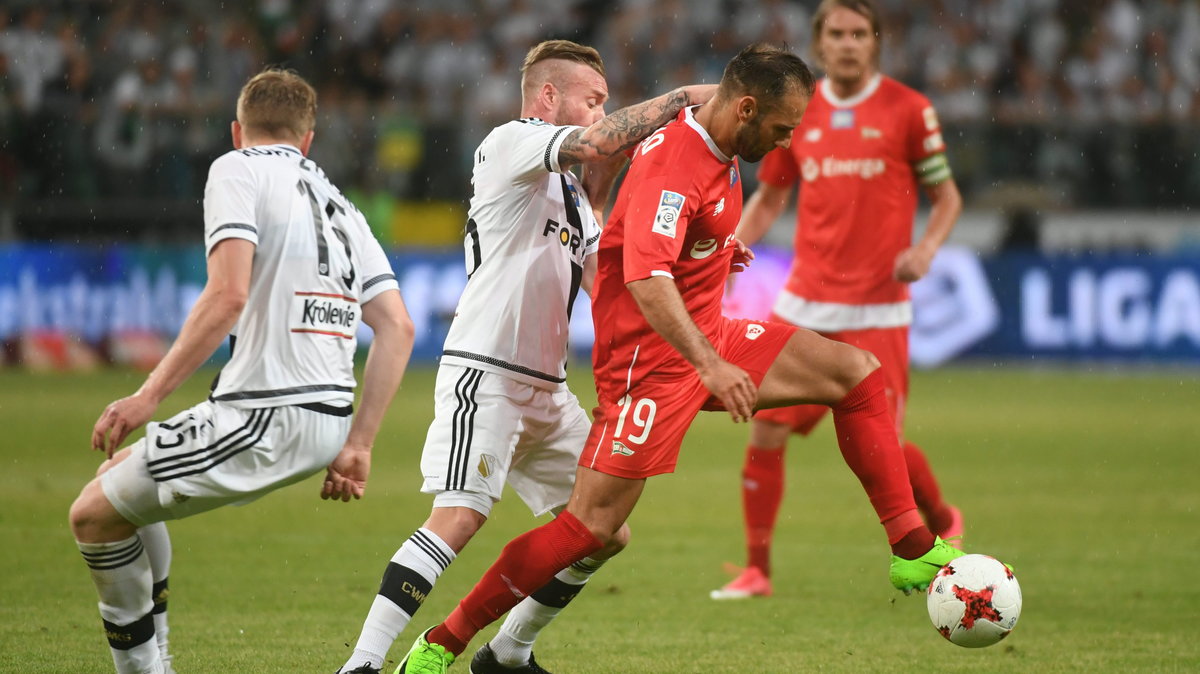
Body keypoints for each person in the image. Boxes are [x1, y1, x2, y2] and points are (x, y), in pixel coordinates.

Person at [394, 43, 973, 674]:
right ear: (747, 109)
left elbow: (653, 229)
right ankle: (442, 645)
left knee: (856, 375)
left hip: (704, 332)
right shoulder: (678, 161)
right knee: (588, 528)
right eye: (782, 129)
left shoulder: (721, 143)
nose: (786, 143)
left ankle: (911, 544)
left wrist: (717, 251)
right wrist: (709, 366)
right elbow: (645, 277)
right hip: (652, 360)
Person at [336, 40, 717, 674]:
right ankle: (363, 664)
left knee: (603, 530)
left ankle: (508, 651)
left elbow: (611, 286)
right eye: (592, 100)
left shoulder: (570, 197)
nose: (601, 112)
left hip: (547, 388)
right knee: (458, 520)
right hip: (486, 373)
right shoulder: (510, 141)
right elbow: (597, 145)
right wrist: (679, 101)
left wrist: (704, 255)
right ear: (548, 97)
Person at [68, 68, 414, 674]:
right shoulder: (342, 204)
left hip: (265, 412)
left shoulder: (237, 169)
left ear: (237, 130)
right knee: (121, 483)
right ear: (308, 138)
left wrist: (149, 395)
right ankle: (160, 658)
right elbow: (397, 328)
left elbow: (227, 295)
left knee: (91, 516)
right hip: (325, 419)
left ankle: (144, 670)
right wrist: (358, 444)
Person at [711, 0, 967, 601]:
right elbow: (771, 198)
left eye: (858, 33)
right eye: (837, 34)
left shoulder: (909, 110)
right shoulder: (799, 110)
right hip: (804, 304)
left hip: (879, 310)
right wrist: (725, 253)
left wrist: (926, 250)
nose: (848, 43)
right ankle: (757, 570)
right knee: (765, 430)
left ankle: (941, 519)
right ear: (820, 44)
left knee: (887, 446)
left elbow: (947, 197)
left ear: (873, 42)